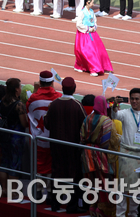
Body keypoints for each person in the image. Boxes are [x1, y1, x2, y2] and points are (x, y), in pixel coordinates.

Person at [111, 88, 140, 217]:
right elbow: (114, 115)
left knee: (137, 188)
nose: (134, 101)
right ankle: (120, 214)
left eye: (137, 99)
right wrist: (114, 105)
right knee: (122, 187)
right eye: (132, 99)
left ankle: (133, 214)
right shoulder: (124, 113)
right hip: (126, 154)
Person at [45, 77, 86, 212]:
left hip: (56, 145)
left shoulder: (54, 104)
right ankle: (71, 206)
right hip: (73, 147)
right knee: (73, 174)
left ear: (62, 88)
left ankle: (55, 204)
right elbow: (84, 127)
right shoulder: (77, 105)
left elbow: (47, 124)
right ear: (74, 89)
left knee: (57, 172)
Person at [80, 96, 119, 217]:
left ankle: (93, 207)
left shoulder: (87, 118)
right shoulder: (107, 121)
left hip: (86, 154)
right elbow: (108, 143)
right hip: (100, 156)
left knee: (91, 182)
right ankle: (101, 210)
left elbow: (81, 137)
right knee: (103, 184)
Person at [26, 71, 62, 197]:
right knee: (52, 164)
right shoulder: (59, 97)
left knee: (39, 165)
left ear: (39, 82)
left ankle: (38, 191)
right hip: (53, 138)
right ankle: (51, 192)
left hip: (38, 138)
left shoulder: (33, 98)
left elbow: (28, 113)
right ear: (52, 82)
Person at [75, 0, 113, 77]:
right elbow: (78, 24)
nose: (93, 4)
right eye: (92, 2)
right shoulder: (82, 12)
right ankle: (93, 68)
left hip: (93, 34)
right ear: (87, 2)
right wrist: (87, 28)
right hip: (84, 35)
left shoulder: (92, 12)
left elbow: (95, 21)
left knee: (99, 50)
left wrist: (94, 27)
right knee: (89, 52)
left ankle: (97, 66)